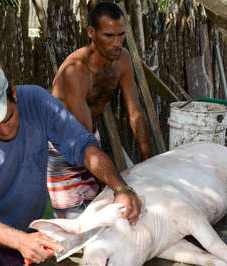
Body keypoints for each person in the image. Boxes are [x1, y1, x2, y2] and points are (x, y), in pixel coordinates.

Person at [0, 65, 141, 266]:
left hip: (24, 233)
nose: (5, 130)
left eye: (9, 117)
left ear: (14, 94)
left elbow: (83, 146)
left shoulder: (36, 101)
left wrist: (120, 187)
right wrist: (20, 241)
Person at [47, 2, 153, 219]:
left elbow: (136, 113)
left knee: (102, 211)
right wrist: (119, 187)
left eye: (120, 35)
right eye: (109, 36)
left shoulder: (122, 59)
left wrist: (150, 163)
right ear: (91, 33)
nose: (117, 43)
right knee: (75, 221)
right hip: (62, 145)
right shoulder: (75, 70)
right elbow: (82, 138)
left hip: (90, 138)